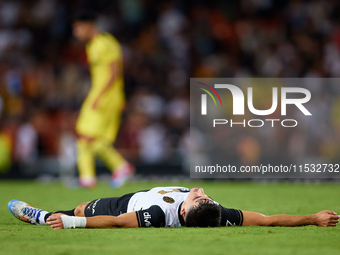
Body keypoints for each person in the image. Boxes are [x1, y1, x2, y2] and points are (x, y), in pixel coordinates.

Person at [8, 186, 339, 229]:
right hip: (142, 194)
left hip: (128, 202)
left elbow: (121, 222)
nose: (200, 191)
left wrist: (72, 223)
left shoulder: (157, 215)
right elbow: (267, 220)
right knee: (80, 206)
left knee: (81, 208)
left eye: (197, 197)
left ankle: (42, 218)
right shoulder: (217, 215)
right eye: (205, 196)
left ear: (183, 212)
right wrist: (313, 218)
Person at [72, 10, 134, 188]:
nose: (76, 33)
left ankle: (117, 168)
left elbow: (114, 72)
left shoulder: (106, 43)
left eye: (78, 28)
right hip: (101, 94)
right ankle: (91, 177)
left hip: (105, 97)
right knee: (88, 138)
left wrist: (99, 96)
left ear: (89, 25)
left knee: (86, 136)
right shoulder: (92, 45)